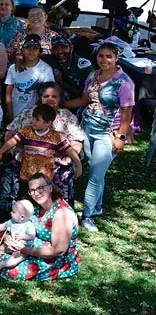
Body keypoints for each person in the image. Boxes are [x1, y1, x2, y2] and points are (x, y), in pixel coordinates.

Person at [63, 42, 134, 232]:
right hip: (87, 128)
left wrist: (121, 136)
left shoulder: (124, 82)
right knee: (96, 170)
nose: (104, 60)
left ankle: (87, 216)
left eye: (109, 56)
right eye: (101, 56)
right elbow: (85, 99)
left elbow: (127, 113)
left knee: (95, 175)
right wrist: (62, 104)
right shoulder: (93, 76)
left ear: (116, 58)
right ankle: (97, 206)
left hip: (107, 134)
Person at [0, 82, 85, 219]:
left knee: (64, 172)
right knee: (9, 170)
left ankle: (60, 215)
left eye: (54, 96)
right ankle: (11, 213)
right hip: (26, 158)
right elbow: (10, 133)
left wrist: (69, 159)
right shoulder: (29, 114)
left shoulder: (67, 117)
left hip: (56, 160)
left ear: (59, 99)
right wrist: (13, 150)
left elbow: (77, 141)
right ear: (40, 98)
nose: (50, 99)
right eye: (46, 96)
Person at [0, 173, 80, 281]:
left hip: (55, 258)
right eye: (32, 190)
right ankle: (2, 258)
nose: (36, 193)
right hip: (33, 244)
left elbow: (59, 251)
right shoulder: (37, 207)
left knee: (11, 271)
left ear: (50, 188)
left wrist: (24, 249)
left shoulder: (62, 213)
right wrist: (8, 237)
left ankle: (0, 260)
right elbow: (17, 224)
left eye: (40, 188)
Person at [0, 103, 83, 193]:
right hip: (26, 175)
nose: (33, 122)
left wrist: (78, 164)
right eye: (33, 118)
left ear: (48, 123)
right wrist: (0, 152)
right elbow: (12, 142)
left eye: (37, 120)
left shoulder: (56, 137)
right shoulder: (26, 131)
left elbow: (70, 150)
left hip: (45, 178)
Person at [4, 34, 55, 120]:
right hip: (15, 114)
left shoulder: (46, 69)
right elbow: (8, 92)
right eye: (28, 47)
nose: (31, 51)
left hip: (35, 117)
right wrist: (10, 114)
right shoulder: (13, 68)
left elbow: (48, 95)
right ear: (22, 50)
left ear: (40, 51)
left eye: (35, 48)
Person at [0, 199, 37, 274]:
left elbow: (32, 235)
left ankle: (3, 265)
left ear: (22, 217)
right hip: (8, 245)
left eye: (13, 211)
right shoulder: (12, 221)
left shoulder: (28, 225)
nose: (10, 212)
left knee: (16, 258)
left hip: (21, 248)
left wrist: (24, 236)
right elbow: (3, 226)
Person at [43, 33, 92, 100]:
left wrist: (61, 82)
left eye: (64, 47)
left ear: (71, 47)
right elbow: (33, 57)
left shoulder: (83, 65)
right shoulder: (51, 59)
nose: (60, 51)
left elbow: (85, 95)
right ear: (52, 51)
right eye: (56, 48)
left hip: (78, 106)